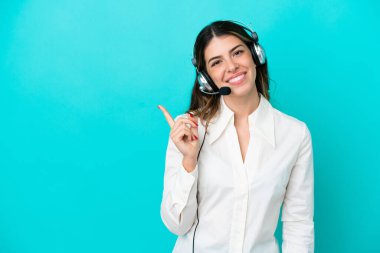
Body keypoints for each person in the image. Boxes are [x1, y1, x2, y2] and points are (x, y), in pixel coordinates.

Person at [158, 20, 314, 253]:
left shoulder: (295, 134)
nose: (231, 67)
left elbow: (298, 224)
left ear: (255, 55)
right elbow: (177, 225)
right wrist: (189, 161)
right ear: (206, 79)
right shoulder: (190, 130)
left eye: (238, 52)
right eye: (216, 62)